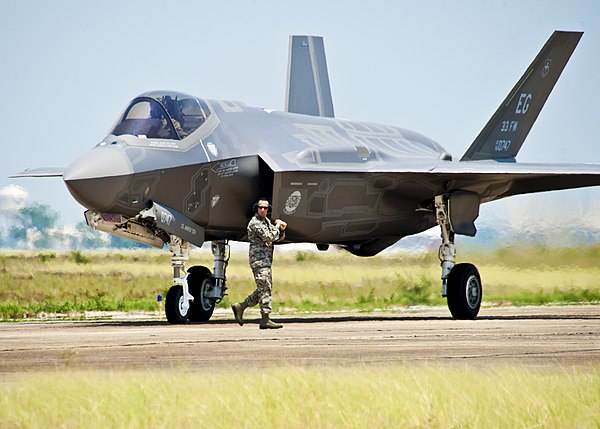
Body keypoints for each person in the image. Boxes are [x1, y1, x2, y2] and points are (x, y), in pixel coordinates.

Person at [231, 198, 287, 329]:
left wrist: (282, 230)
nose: (262, 210)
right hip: (259, 260)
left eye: (265, 208)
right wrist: (278, 226)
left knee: (264, 287)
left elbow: (276, 237)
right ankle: (265, 318)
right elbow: (269, 237)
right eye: (260, 207)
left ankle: (241, 306)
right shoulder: (255, 223)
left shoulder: (266, 221)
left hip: (265, 260)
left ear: (268, 210)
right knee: (265, 287)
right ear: (257, 208)